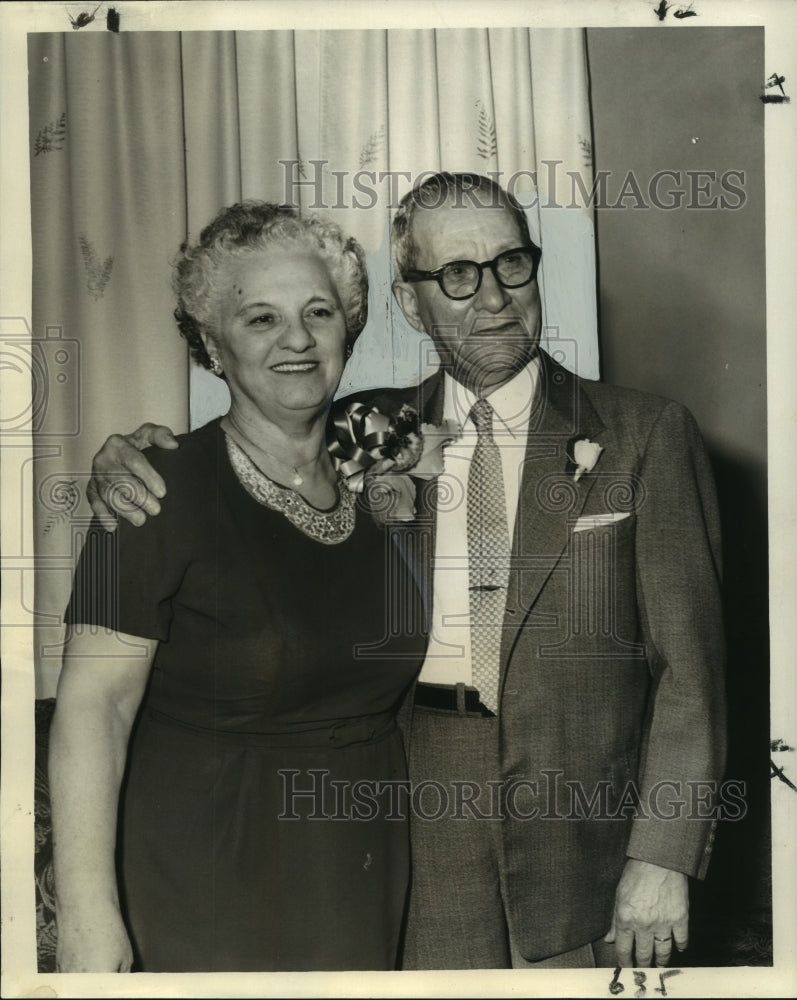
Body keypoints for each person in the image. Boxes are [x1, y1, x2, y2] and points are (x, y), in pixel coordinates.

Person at [87, 173, 727, 971]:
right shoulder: (364, 429)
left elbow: (690, 678)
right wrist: (132, 457)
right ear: (408, 300)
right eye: (456, 275)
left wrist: (662, 856)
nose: (492, 297)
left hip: (585, 839)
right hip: (411, 839)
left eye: (511, 264)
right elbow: (251, 457)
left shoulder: (645, 433)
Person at [49, 201, 426, 973]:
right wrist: (88, 917)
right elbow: (95, 707)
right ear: (212, 346)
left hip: (362, 862)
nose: (296, 338)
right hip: (207, 868)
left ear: (347, 330)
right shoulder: (153, 491)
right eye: (260, 319)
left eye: (318, 312)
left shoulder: (379, 466)